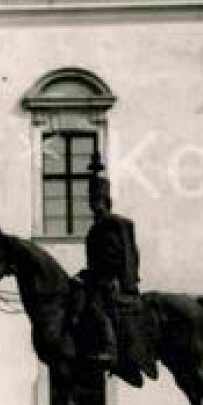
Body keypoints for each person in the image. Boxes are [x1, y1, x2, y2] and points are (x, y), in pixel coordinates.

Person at [78, 156, 156, 385]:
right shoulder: (95, 228)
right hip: (99, 278)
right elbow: (96, 261)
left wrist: (112, 277)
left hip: (111, 281)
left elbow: (116, 256)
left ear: (105, 201)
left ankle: (110, 351)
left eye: (97, 201)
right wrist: (82, 276)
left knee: (96, 307)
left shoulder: (113, 224)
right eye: (92, 201)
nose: (93, 205)